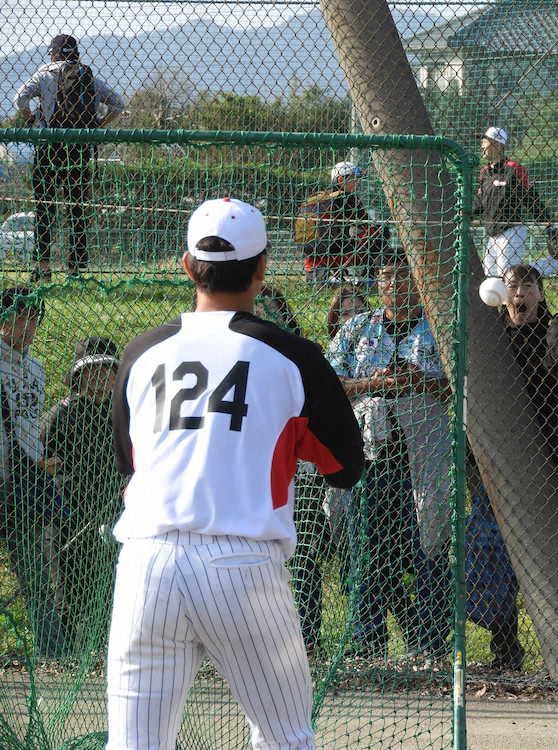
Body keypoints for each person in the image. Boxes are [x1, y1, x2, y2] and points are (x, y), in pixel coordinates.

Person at [107, 197, 364, 749]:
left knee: (133, 744)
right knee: (285, 738)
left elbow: (129, 462)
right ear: (262, 268)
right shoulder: (292, 355)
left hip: (146, 563)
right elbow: (344, 468)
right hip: (240, 563)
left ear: (186, 265)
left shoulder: (141, 352)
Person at [328, 260, 453, 660]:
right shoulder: (357, 328)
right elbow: (331, 384)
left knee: (429, 545)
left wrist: (421, 380)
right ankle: (367, 643)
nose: (394, 282)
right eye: (386, 275)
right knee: (368, 546)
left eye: (403, 275)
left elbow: (460, 387)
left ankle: (430, 643)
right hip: (371, 453)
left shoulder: (439, 326)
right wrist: (376, 383)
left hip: (425, 451)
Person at [465, 263, 558, 671]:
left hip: (538, 459)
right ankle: (505, 647)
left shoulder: (553, 326)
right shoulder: (493, 333)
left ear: (539, 294)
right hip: (491, 458)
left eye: (527, 287)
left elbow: (555, 363)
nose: (519, 295)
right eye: (512, 287)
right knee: (493, 551)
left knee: (533, 553)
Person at [14, 34, 124, 282]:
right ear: (75, 52)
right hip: (78, 148)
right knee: (77, 209)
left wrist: (32, 119)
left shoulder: (45, 73)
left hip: (49, 147)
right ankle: (75, 270)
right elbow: (117, 104)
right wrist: (96, 125)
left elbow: (19, 98)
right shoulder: (87, 75)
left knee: (45, 209)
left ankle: (42, 267)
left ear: (53, 52)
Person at [42, 336, 123, 653]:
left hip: (114, 510)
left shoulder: (123, 413)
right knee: (68, 587)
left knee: (111, 585)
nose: (101, 377)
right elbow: (40, 457)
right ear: (79, 376)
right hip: (68, 515)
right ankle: (65, 655)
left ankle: (105, 649)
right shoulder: (63, 412)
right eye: (93, 371)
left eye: (107, 370)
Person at [0, 286, 67, 657]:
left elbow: (28, 424)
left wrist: (38, 458)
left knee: (35, 570)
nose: (25, 325)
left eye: (32, 318)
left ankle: (52, 650)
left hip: (25, 482)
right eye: (17, 316)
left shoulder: (36, 368)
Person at [474, 126, 558, 278]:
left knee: (508, 274)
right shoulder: (485, 172)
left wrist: (548, 225)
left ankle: (555, 265)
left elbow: (531, 199)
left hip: (512, 230)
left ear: (497, 145)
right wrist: (462, 212)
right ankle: (553, 265)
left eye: (485, 141)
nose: (481, 145)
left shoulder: (514, 169)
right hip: (492, 233)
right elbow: (479, 204)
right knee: (490, 276)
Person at [294, 161, 387, 286]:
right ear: (340, 179)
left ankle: (330, 275)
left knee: (342, 237)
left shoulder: (320, 198)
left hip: (312, 255)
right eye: (353, 179)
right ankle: (368, 279)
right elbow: (367, 225)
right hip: (338, 253)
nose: (357, 182)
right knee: (380, 234)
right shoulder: (348, 198)